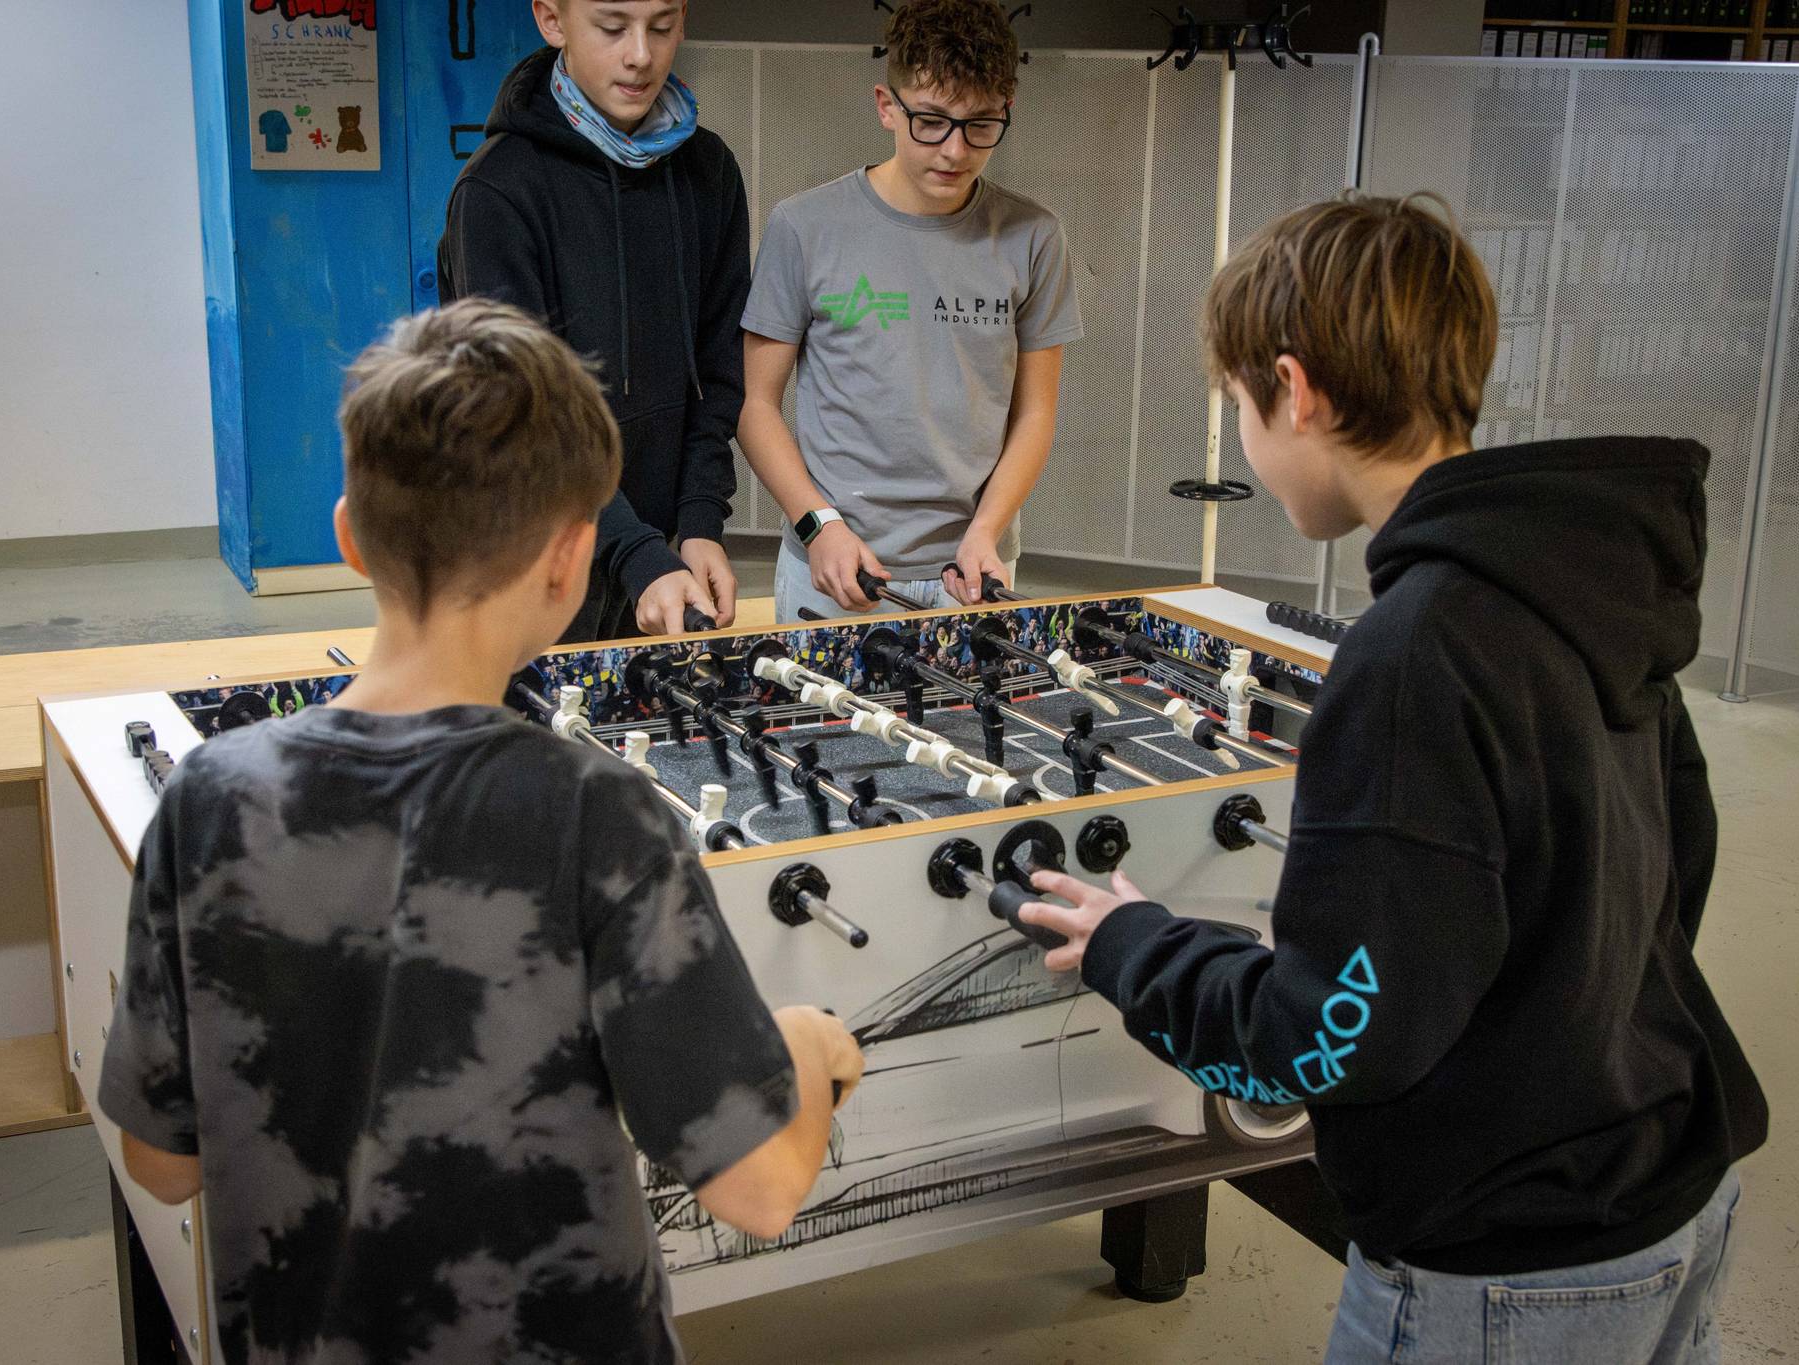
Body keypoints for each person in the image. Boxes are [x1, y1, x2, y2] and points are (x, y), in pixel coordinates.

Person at [1018, 194, 1767, 1363]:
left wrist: (1134, 950)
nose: (1245, 438)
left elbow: (1331, 1042)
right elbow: (1678, 860)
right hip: (1668, 1185)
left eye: (1237, 407)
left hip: (1504, 1266)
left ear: (1293, 389)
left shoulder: (1415, 652)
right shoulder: (1588, 581)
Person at [101, 300, 862, 1363]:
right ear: (572, 561)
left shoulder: (207, 800)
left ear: (349, 536)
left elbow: (160, 1162)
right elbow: (760, 1188)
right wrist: (811, 1050)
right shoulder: (595, 813)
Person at [739, 0, 1082, 621]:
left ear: (1007, 108)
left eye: (980, 124)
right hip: (834, 565)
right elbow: (755, 405)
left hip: (972, 569)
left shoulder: (1035, 236)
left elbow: (1036, 412)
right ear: (886, 106)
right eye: (931, 121)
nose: (955, 150)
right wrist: (819, 526)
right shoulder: (803, 226)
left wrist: (987, 531)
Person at [438, 0, 747, 642]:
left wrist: (698, 522)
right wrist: (633, 551)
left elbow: (718, 373)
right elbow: (524, 415)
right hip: (527, 569)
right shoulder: (498, 191)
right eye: (612, 28)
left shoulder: (709, 172)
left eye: (661, 27)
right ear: (552, 21)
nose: (640, 55)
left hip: (657, 566)